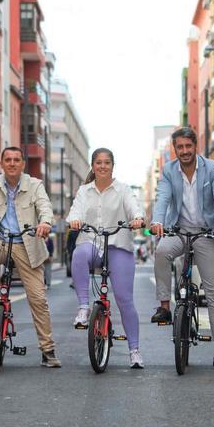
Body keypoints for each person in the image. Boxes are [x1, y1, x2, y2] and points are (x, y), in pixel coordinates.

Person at [150, 127, 214, 369]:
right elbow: (162, 199)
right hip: (179, 231)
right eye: (180, 147)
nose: (184, 151)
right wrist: (157, 221)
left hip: (207, 233)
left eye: (188, 146)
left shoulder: (213, 168)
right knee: (161, 251)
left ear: (196, 146)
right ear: (175, 149)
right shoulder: (168, 171)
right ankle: (165, 307)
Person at [0, 147, 61, 368]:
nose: (12, 163)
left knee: (38, 299)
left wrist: (45, 222)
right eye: (8, 160)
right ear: (1, 163)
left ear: (22, 164)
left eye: (16, 160)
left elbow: (45, 206)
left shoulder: (35, 184)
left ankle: (47, 350)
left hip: (27, 244)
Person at [67, 148, 146, 368]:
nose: (102, 166)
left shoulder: (123, 190)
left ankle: (134, 351)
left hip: (118, 244)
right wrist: (74, 221)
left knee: (124, 299)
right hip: (91, 242)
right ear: (92, 166)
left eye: (107, 162)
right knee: (79, 253)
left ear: (113, 165)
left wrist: (138, 218)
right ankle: (83, 308)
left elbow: (134, 208)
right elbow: (75, 211)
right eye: (98, 162)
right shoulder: (84, 191)